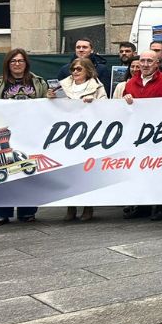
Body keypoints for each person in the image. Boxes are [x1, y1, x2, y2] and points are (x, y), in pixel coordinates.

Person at [0, 49, 48, 226]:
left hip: (31, 134)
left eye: (20, 61)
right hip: (5, 134)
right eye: (13, 61)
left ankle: (27, 211)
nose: (17, 64)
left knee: (28, 172)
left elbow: (48, 107)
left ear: (26, 63)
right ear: (8, 64)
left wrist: (50, 98)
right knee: (2, 173)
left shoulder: (38, 82)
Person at [51, 56, 107, 222]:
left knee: (86, 171)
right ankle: (70, 207)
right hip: (66, 133)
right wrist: (50, 97)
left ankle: (88, 207)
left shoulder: (97, 86)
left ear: (88, 70)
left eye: (78, 69)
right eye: (73, 69)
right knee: (68, 171)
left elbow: (106, 107)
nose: (75, 72)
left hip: (88, 134)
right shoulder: (62, 85)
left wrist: (94, 102)